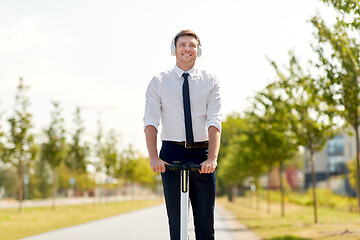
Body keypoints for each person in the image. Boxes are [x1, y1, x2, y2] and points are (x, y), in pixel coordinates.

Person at [143, 29, 222, 240]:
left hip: (201, 153)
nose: (187, 49)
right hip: (171, 153)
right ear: (174, 49)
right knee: (176, 225)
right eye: (182, 45)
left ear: (198, 50)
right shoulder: (159, 81)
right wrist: (154, 157)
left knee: (205, 225)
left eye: (192, 46)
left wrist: (212, 159)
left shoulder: (210, 81)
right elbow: (151, 121)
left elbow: (214, 121)